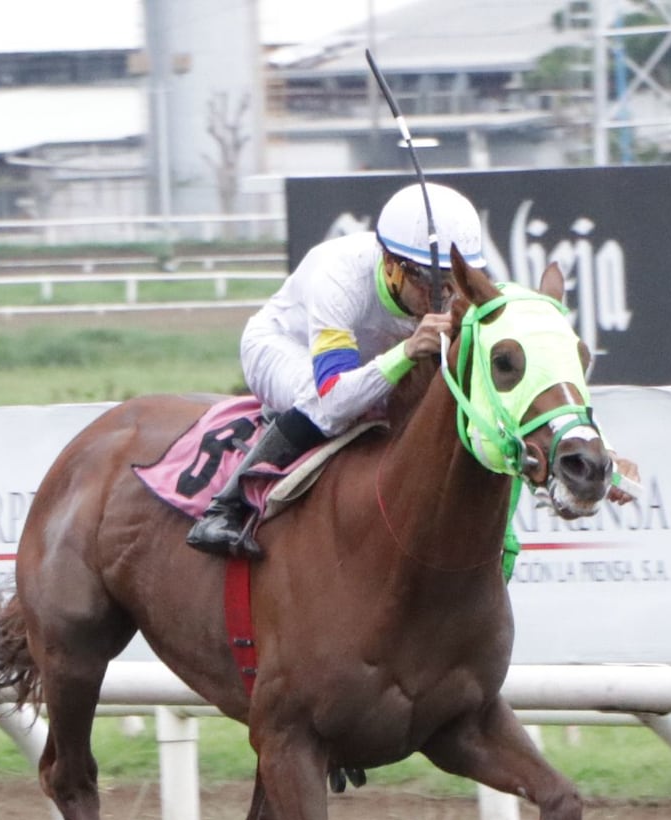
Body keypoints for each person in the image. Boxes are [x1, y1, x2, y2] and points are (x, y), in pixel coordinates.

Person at [187, 180, 485, 559]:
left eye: (451, 283)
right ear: (390, 265)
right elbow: (336, 399)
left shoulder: (443, 289)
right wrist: (409, 350)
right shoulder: (339, 277)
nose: (439, 297)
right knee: (329, 403)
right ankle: (226, 508)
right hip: (282, 348)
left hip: (363, 362)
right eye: (426, 281)